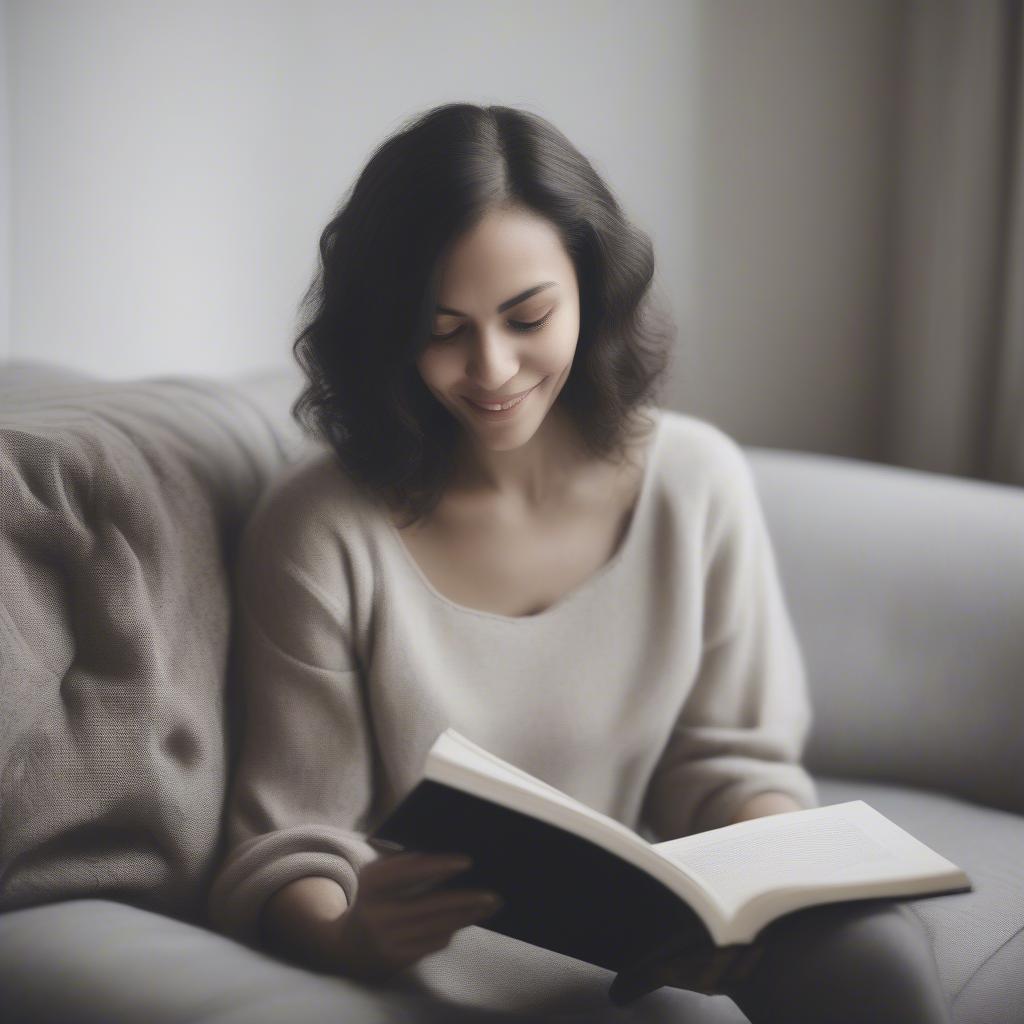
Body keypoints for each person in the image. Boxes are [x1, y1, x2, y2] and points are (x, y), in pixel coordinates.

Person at [206, 102, 951, 1024]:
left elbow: (729, 766)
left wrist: (753, 901)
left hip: (636, 966)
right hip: (424, 970)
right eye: (442, 330)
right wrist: (346, 936)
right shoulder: (323, 530)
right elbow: (291, 837)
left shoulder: (695, 482)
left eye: (527, 317)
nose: (492, 368)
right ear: (386, 333)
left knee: (877, 960)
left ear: (590, 291)